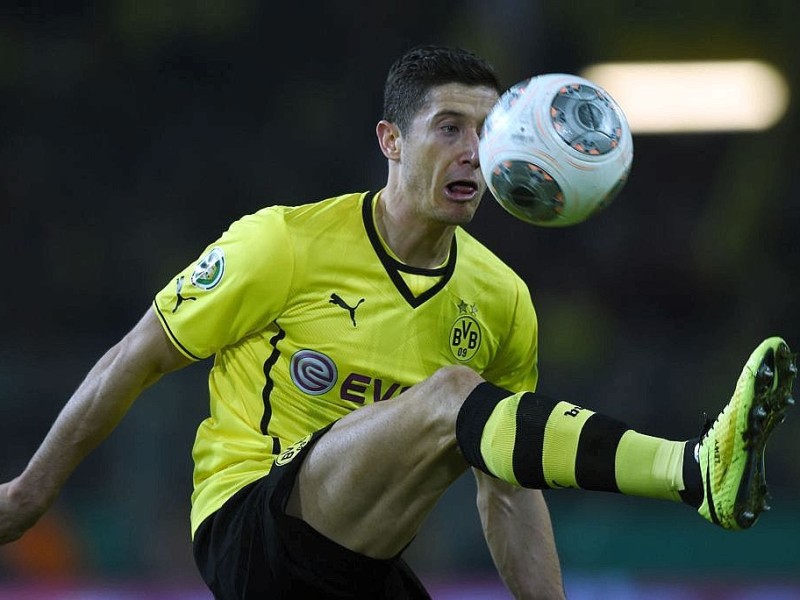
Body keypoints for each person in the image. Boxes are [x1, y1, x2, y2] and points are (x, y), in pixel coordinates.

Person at [0, 44, 796, 600]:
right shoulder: (282, 243)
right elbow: (135, 356)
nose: (472, 152)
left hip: (360, 565)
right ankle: (693, 471)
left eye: (487, 132)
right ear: (390, 140)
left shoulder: (501, 300)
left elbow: (509, 493)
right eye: (449, 127)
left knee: (467, 412)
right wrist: (31, 496)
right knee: (453, 396)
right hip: (255, 532)